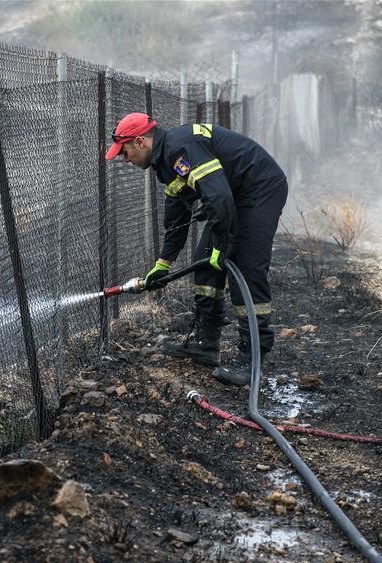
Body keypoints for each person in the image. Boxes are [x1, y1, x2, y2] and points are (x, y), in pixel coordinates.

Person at [105, 113, 287, 385]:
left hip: (259, 189)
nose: (125, 159)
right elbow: (176, 219)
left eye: (125, 151)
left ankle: (253, 359)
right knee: (204, 260)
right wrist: (164, 262)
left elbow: (220, 197)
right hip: (233, 196)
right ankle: (206, 342)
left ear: (140, 142)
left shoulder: (181, 149)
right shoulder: (166, 161)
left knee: (246, 268)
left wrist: (222, 248)